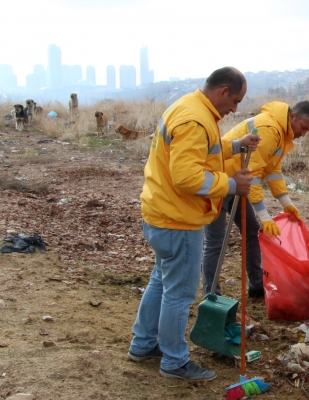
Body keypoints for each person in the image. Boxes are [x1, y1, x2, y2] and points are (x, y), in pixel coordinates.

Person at [127, 67, 261, 382]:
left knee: (161, 281)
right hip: (178, 219)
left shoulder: (191, 108)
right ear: (223, 91)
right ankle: (174, 362)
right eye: (236, 100)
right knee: (180, 292)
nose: (236, 109)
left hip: (161, 212)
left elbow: (204, 155)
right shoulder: (195, 119)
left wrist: (237, 145)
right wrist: (231, 185)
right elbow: (187, 177)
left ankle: (143, 344)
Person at [202, 100, 309, 298]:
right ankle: (211, 295)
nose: (303, 134)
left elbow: (272, 170)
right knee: (216, 242)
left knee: (251, 232)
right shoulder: (269, 128)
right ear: (293, 117)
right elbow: (253, 173)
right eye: (303, 128)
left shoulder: (282, 134)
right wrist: (264, 214)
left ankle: (257, 286)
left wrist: (286, 202)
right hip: (219, 182)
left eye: (308, 131)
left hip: (237, 185)